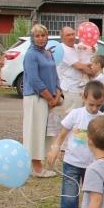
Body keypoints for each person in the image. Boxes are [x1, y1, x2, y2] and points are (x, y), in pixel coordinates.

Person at [48, 81, 104, 208]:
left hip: (93, 168)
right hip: (72, 164)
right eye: (91, 104)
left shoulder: (102, 119)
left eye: (98, 105)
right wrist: (55, 148)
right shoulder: (75, 114)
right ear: (84, 97)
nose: (94, 108)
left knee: (91, 205)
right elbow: (62, 134)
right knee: (69, 203)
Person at [22, 23, 62, 178]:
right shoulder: (31, 54)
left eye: (43, 35)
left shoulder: (48, 53)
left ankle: (41, 163)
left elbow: (55, 75)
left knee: (47, 132)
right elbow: (34, 79)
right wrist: (49, 97)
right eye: (37, 36)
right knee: (36, 132)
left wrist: (57, 94)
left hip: (49, 99)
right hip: (36, 98)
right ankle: (36, 168)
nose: (40, 38)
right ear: (33, 38)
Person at [57, 26, 95, 116]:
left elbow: (87, 54)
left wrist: (91, 50)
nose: (71, 37)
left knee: (82, 114)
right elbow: (80, 66)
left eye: (73, 34)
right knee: (73, 115)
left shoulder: (75, 47)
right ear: (62, 38)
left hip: (80, 87)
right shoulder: (63, 50)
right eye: (68, 35)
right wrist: (93, 72)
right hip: (71, 88)